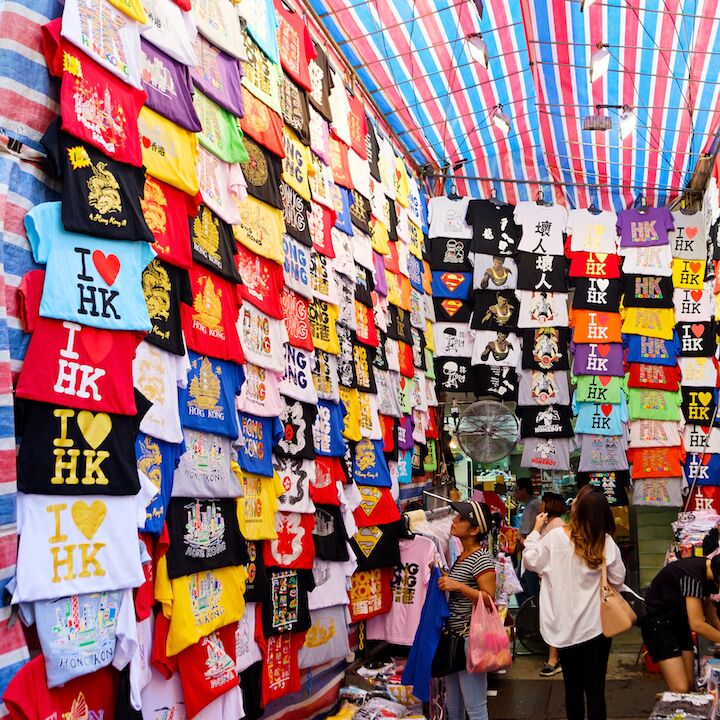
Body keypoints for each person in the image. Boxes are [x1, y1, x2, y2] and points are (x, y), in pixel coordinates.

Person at [523, 485, 625, 720]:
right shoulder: (605, 541)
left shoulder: (556, 537)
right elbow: (618, 579)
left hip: (565, 628)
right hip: (598, 628)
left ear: (577, 508)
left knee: (573, 689)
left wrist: (536, 531)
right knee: (596, 690)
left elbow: (530, 561)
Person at [437, 500, 496, 720]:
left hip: (470, 640)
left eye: (461, 518)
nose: (453, 520)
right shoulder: (462, 557)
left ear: (474, 530)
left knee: (476, 708)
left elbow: (489, 599)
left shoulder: (480, 559)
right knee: (454, 707)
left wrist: (458, 586)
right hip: (455, 639)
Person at [642, 555, 720, 692]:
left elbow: (706, 604)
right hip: (658, 623)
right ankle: (669, 706)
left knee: (689, 684)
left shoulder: (708, 568)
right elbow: (697, 624)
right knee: (681, 688)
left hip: (679, 620)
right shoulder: (693, 576)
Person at [537, 492, 566, 678]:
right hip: (549, 578)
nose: (540, 506)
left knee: (553, 617)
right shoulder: (551, 524)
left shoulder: (557, 526)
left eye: (543, 503)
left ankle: (553, 659)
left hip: (555, 580)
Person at [515, 477, 542, 602]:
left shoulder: (532, 506)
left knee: (523, 587)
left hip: (531, 552)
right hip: (533, 551)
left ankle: (530, 617)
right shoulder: (533, 504)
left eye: (516, 490)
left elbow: (524, 535)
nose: (514, 493)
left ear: (524, 491)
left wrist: (518, 538)